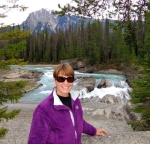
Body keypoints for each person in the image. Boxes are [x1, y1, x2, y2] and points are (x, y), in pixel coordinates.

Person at [28, 63, 107, 144]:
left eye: (69, 79)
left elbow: (79, 122)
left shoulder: (75, 100)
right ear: (55, 80)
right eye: (61, 79)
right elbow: (35, 140)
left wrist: (94, 131)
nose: (66, 83)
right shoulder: (44, 109)